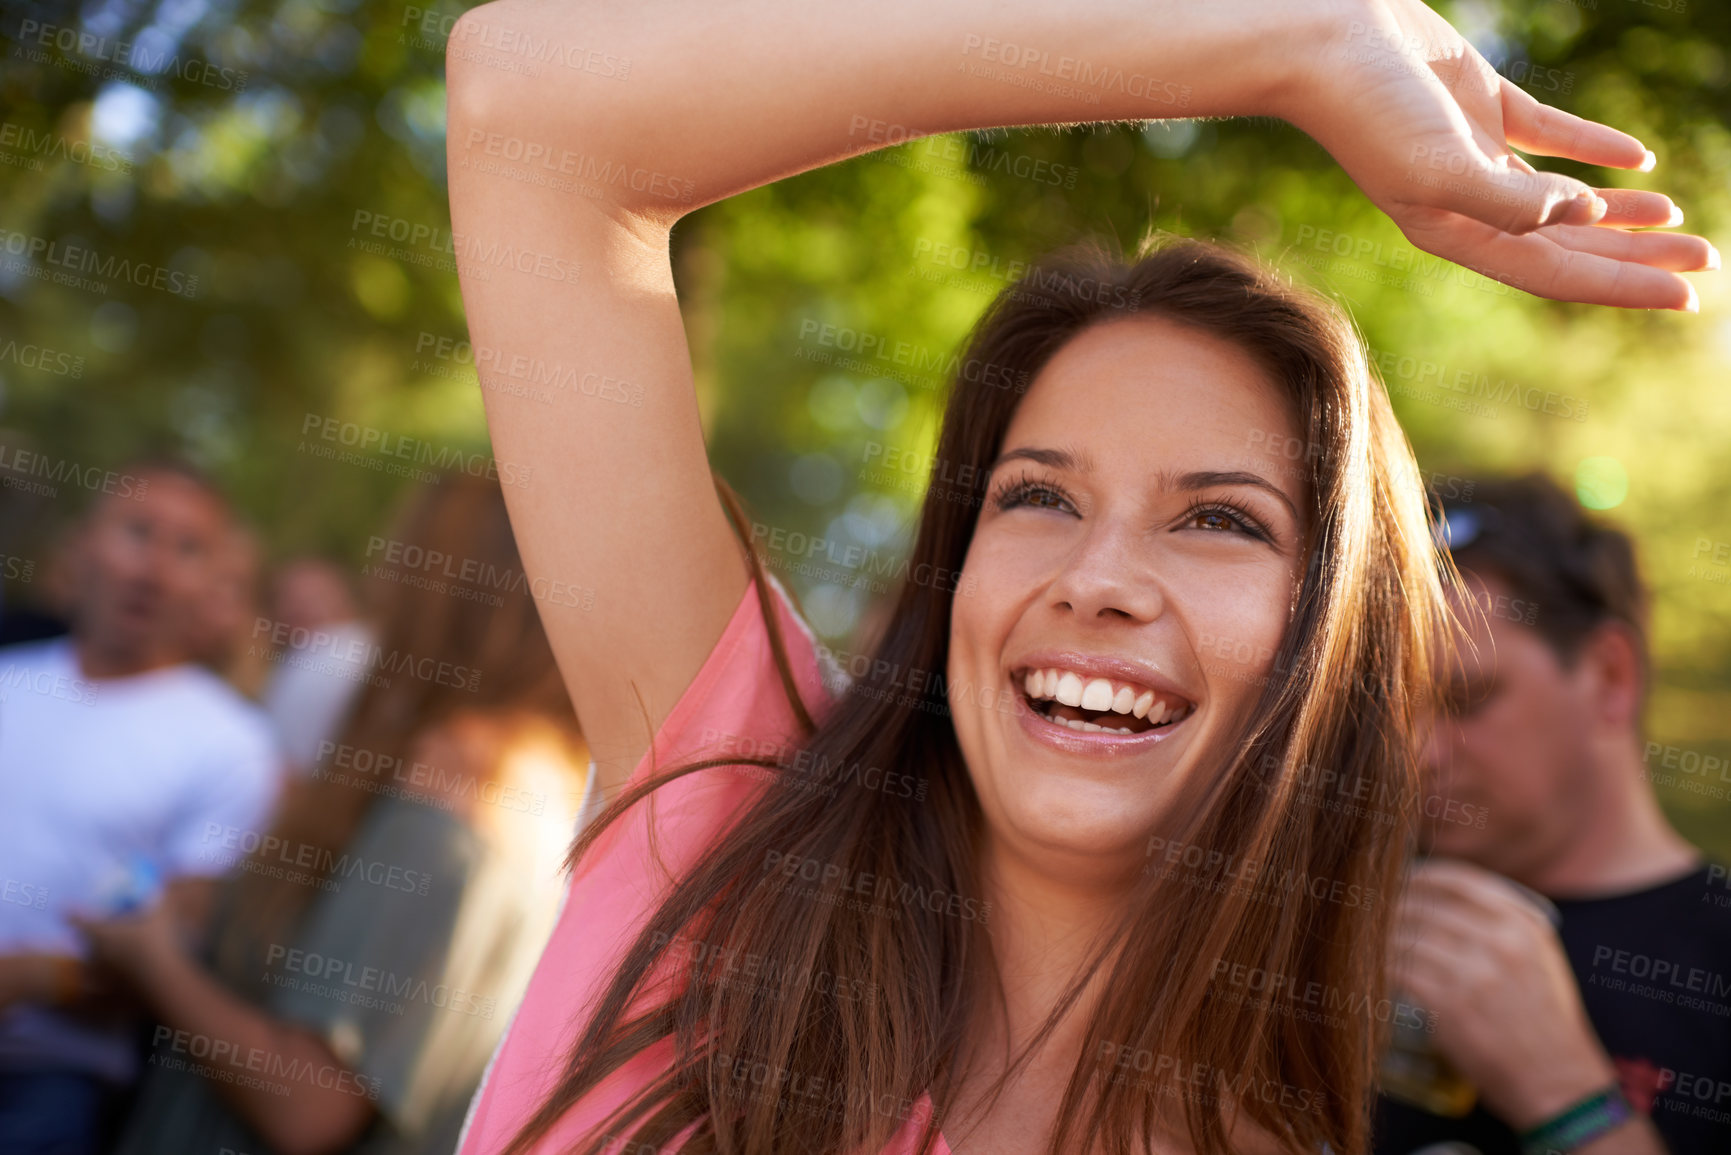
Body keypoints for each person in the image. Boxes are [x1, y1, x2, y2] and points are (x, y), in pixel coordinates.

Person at [440, 3, 1713, 1154]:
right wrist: (1296, 44)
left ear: (1332, 642)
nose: (1096, 578)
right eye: (1038, 497)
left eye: (1217, 520)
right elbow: (530, 101)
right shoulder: (737, 807)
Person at [78, 472, 589, 1155]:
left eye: (408, 560)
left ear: (454, 598)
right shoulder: (528, 786)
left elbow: (310, 1106)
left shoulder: (455, 799)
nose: (382, 583)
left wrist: (150, 957)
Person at [1375, 474, 1731, 1155]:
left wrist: (1565, 1096)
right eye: (1389, 712)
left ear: (1608, 676)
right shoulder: (1345, 926)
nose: (1414, 752)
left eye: (1466, 697)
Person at [0, 459, 283, 1155]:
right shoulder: (12, 680)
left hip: (45, 1085)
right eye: (135, 531)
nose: (152, 569)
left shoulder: (234, 748)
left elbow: (173, 953)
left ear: (213, 581)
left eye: (187, 548)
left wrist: (35, 976)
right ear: (83, 545)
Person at [262, 557, 377, 776]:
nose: (301, 608)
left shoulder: (359, 648)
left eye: (315, 597)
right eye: (291, 599)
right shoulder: (281, 668)